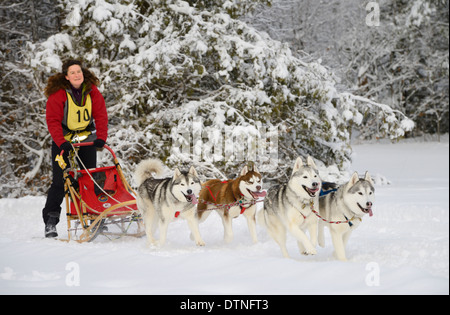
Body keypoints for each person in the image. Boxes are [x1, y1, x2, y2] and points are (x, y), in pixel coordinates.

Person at [42, 59, 108, 238]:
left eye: (78, 71)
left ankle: (94, 216)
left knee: (89, 178)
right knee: (60, 181)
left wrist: (101, 138)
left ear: (83, 73)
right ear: (66, 76)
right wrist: (61, 142)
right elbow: (53, 121)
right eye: (72, 73)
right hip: (63, 140)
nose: (76, 75)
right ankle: (51, 221)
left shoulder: (92, 91)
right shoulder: (59, 94)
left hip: (86, 138)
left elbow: (101, 115)